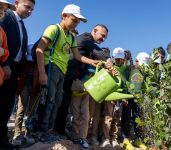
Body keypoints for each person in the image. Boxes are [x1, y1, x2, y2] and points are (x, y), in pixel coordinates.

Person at [35, 4, 99, 142]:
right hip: (51, 67)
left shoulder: (70, 37)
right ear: (64, 16)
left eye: (78, 22)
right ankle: (41, 131)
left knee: (57, 101)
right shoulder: (53, 29)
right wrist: (41, 73)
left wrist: (93, 62)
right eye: (74, 20)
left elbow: (78, 56)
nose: (76, 24)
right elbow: (39, 49)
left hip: (62, 71)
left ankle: (49, 130)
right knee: (49, 100)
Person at [54, 24, 109, 145]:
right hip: (64, 74)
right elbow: (97, 51)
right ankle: (53, 131)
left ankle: (59, 131)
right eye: (102, 35)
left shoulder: (88, 43)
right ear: (94, 31)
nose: (103, 39)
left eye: (105, 38)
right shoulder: (86, 38)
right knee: (59, 104)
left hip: (70, 77)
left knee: (64, 105)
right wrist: (108, 60)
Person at [0, 0, 35, 148]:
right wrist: (5, 64)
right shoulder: (6, 15)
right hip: (4, 67)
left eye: (32, 9)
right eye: (27, 7)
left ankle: (2, 140)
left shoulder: (23, 27)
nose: (30, 11)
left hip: (14, 71)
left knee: (7, 105)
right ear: (17, 3)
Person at [101, 47, 130, 148]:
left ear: (123, 59)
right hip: (110, 96)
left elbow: (125, 84)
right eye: (116, 59)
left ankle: (113, 138)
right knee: (108, 117)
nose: (118, 61)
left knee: (116, 118)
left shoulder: (125, 69)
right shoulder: (109, 67)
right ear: (113, 58)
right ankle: (105, 139)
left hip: (120, 97)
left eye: (120, 59)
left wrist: (125, 97)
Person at [122, 52, 150, 150]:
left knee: (137, 117)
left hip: (139, 98)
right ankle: (126, 139)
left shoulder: (145, 71)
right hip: (128, 96)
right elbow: (124, 81)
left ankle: (138, 139)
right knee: (126, 117)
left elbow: (145, 84)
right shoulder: (129, 69)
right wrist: (124, 96)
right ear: (137, 61)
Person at [12, 44, 36, 145]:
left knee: (32, 111)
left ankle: (28, 133)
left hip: (35, 87)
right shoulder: (24, 62)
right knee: (21, 110)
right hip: (24, 87)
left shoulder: (38, 63)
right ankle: (17, 133)